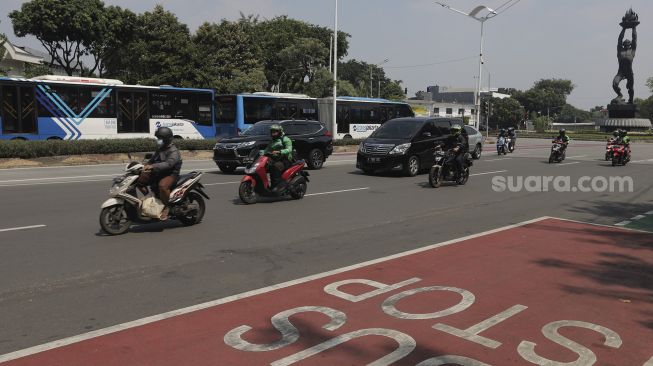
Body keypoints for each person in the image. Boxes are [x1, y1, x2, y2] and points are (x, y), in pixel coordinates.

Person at [137, 127, 182, 220]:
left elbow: (168, 164)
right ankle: (150, 199)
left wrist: (153, 166)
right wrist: (143, 166)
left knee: (162, 186)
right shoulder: (161, 148)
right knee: (139, 181)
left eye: (160, 138)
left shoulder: (174, 151)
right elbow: (152, 160)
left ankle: (166, 206)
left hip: (171, 174)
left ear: (166, 139)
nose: (159, 140)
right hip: (159, 172)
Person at [261, 124, 293, 191]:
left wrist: (280, 151)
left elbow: (289, 149)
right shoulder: (272, 141)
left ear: (280, 132)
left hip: (285, 160)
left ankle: (277, 186)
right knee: (262, 167)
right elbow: (267, 150)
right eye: (272, 132)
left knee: (275, 167)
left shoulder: (285, 139)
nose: (273, 133)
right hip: (275, 159)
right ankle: (263, 186)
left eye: (275, 131)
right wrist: (260, 152)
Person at [613, 26, 637, 104]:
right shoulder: (620, 51)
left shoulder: (632, 51)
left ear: (630, 44)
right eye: (625, 44)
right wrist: (624, 28)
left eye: (628, 44)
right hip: (621, 72)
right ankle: (620, 95)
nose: (627, 45)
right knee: (614, 84)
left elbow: (634, 38)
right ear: (623, 44)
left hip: (629, 72)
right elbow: (619, 39)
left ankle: (630, 100)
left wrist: (634, 28)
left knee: (631, 88)